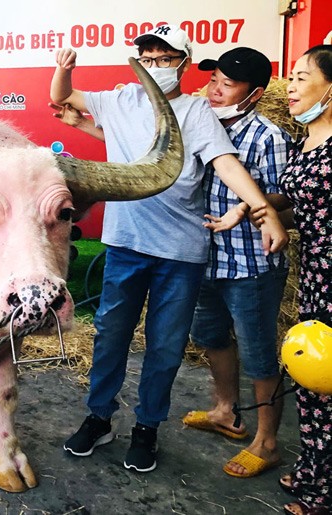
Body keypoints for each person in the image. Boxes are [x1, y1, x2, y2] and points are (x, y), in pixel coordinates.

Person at [50, 24, 288, 473]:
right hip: (125, 245)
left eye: (164, 57)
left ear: (182, 62)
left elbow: (225, 162)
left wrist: (263, 209)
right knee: (110, 335)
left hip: (180, 251)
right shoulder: (119, 100)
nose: (155, 65)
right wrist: (63, 71)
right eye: (148, 57)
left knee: (164, 346)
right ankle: (99, 417)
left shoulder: (197, 111)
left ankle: (147, 428)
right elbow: (66, 95)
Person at [182, 47, 292, 479]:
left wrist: (248, 206)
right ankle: (226, 411)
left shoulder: (268, 137)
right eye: (213, 81)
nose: (214, 90)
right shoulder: (199, 125)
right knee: (211, 337)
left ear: (255, 94)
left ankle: (266, 442)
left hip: (252, 264)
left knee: (260, 352)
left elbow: (288, 199)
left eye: (227, 86)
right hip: (204, 259)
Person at [250, 44, 331, 515]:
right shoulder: (306, 140)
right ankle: (314, 472)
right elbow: (297, 197)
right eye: (291, 77)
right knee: (313, 373)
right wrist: (256, 207)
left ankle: (319, 494)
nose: (291, 85)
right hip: (316, 276)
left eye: (302, 77)